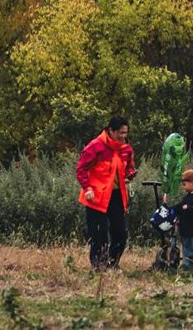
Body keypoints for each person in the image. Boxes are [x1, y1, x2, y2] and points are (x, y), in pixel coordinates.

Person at [76, 115, 137, 270]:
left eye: (125, 133)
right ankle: (99, 266)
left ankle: (113, 263)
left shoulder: (126, 149)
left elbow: (129, 166)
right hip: (96, 196)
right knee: (99, 234)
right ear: (111, 130)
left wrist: (130, 174)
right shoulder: (96, 146)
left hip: (117, 195)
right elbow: (81, 169)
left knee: (120, 233)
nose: (123, 136)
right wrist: (87, 188)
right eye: (120, 133)